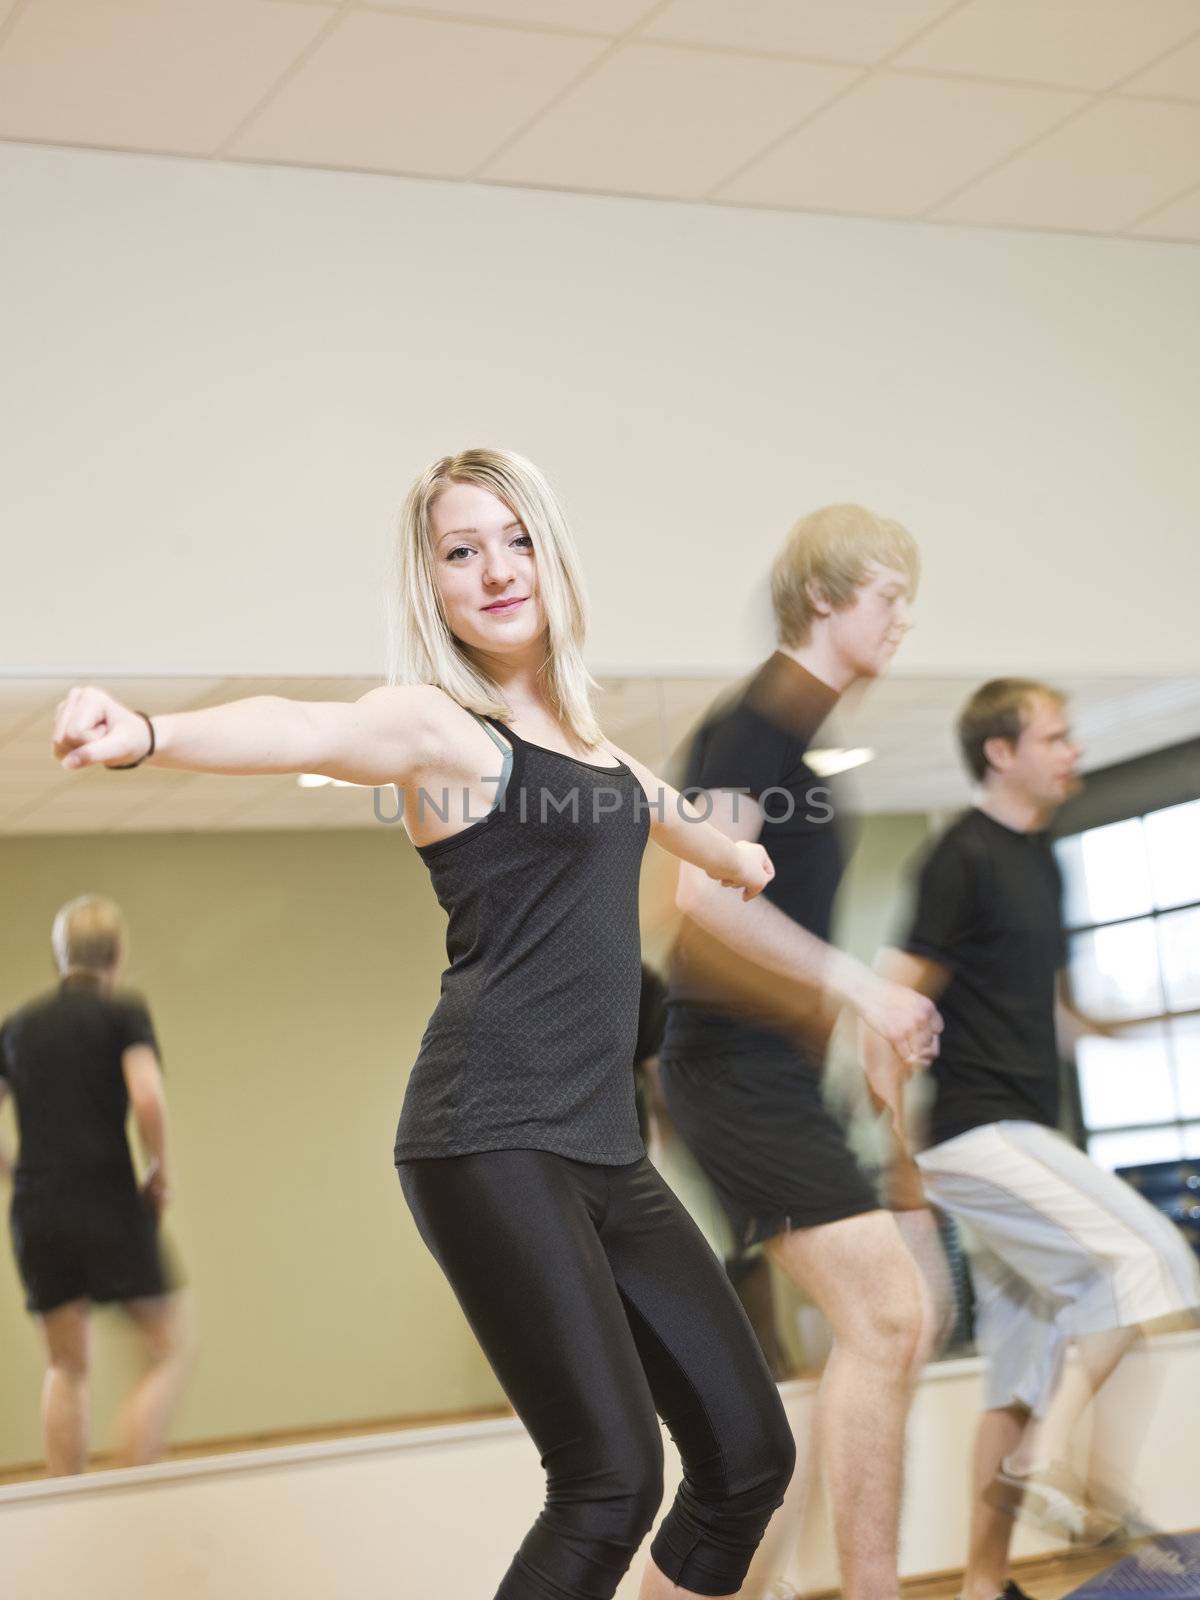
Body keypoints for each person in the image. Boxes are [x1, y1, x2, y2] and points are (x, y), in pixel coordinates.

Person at [52, 447, 802, 1600]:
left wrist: (737, 853)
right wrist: (149, 732)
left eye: (516, 539)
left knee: (750, 1457)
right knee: (608, 1483)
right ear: (434, 585)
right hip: (489, 1134)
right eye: (463, 550)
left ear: (553, 556)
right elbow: (298, 727)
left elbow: (659, 810)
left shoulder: (590, 748)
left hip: (604, 1146)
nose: (497, 569)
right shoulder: (441, 729)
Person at [658, 504, 945, 1600]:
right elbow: (703, 897)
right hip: (728, 1075)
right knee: (889, 1315)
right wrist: (866, 988)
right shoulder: (749, 734)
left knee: (882, 1338)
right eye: (888, 596)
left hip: (774, 1077)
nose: (903, 619)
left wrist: (860, 1030)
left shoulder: (804, 751)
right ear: (822, 600)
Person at [865, 678, 1200, 1600]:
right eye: (1055, 738)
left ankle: (980, 1585)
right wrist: (899, 1162)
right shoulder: (959, 857)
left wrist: (1148, 1022)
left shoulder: (1041, 858)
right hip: (975, 1135)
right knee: (1153, 1258)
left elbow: (1044, 1013)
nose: (1073, 752)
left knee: (1016, 1376)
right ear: (1002, 753)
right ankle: (1060, 1465)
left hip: (1018, 1127)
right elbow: (888, 1004)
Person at [0, 895, 190, 1475]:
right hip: (105, 1196)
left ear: (62, 957)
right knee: (167, 1352)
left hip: (39, 1210)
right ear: (118, 954)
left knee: (66, 1366)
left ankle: (67, 1509)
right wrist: (158, 1168)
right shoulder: (121, 1013)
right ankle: (129, 1488)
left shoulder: (18, 1027)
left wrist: (20, 1173)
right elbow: (148, 1095)